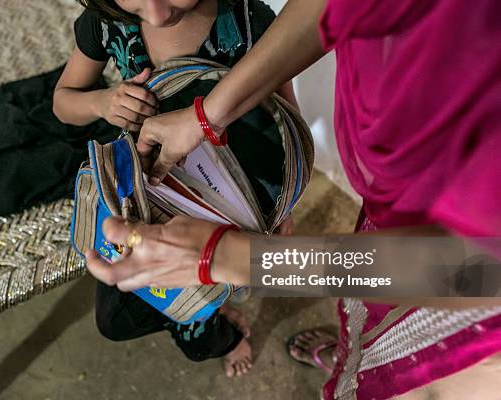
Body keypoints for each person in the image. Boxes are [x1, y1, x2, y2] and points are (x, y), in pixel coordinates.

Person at [84, 0, 501, 398]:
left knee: (401, 372)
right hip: (398, 220)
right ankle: (349, 354)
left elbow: (471, 272)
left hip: (469, 328)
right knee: (367, 335)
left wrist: (233, 257)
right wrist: (205, 115)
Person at [54, 0, 299, 378]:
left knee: (202, 301)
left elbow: (286, 119)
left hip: (231, 196)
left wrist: (286, 205)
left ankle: (219, 333)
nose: (155, 15)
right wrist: (103, 102)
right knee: (129, 310)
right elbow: (64, 101)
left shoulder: (250, 23)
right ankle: (209, 318)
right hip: (147, 194)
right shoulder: (104, 21)